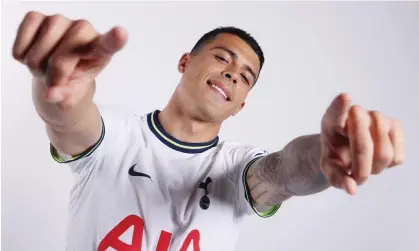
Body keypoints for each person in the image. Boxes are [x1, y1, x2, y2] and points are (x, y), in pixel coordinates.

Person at [12, 11, 405, 251]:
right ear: (185, 61)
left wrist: (323, 154)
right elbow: (68, 120)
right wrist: (58, 87)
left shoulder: (236, 167)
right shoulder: (116, 135)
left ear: (240, 105)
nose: (233, 73)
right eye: (222, 58)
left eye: (245, 77)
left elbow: (283, 171)